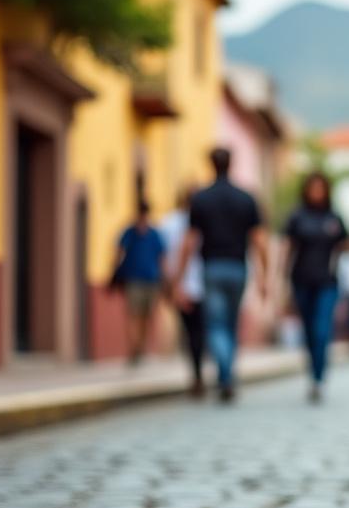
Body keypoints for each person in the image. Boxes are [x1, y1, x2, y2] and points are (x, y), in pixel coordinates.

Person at [174, 148, 267, 403]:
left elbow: (189, 241)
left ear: (211, 165)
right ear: (231, 164)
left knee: (215, 324)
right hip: (238, 267)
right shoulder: (246, 198)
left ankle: (225, 373)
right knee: (230, 323)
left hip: (212, 267)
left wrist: (178, 277)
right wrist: (264, 276)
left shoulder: (201, 199)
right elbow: (260, 241)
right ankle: (227, 375)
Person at [283, 172, 349, 403]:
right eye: (313, 188)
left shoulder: (334, 218)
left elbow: (346, 245)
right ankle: (313, 372)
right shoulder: (297, 217)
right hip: (301, 281)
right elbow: (288, 249)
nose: (316, 192)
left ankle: (319, 378)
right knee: (309, 332)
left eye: (320, 188)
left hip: (327, 282)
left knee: (322, 329)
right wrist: (280, 281)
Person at [159, 188, 205, 397]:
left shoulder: (167, 223)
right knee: (199, 333)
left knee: (191, 333)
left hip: (184, 285)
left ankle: (197, 374)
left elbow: (163, 258)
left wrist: (171, 285)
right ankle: (198, 374)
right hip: (200, 285)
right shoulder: (201, 222)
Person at [114, 200, 166, 367]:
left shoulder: (154, 234)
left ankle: (140, 347)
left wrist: (164, 279)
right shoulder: (129, 232)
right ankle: (134, 348)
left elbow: (161, 258)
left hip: (151, 280)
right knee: (133, 315)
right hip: (133, 279)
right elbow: (119, 253)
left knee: (145, 316)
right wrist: (116, 273)